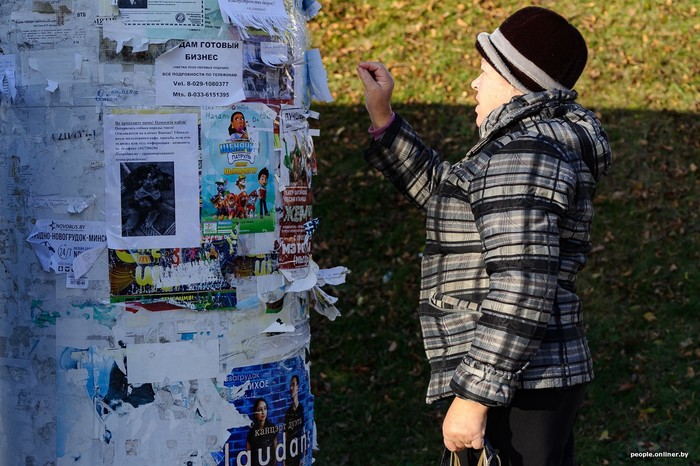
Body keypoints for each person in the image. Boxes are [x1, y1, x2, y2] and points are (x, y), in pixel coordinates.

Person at [357, 6, 611, 466]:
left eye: (483, 71)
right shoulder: (532, 145)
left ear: (518, 80)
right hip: (527, 378)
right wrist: (385, 119)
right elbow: (453, 198)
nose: (474, 84)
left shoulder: (526, 152)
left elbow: (522, 282)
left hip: (518, 384)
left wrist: (475, 397)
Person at [246, 398, 279, 466]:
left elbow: (276, 454)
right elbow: (248, 459)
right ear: (255, 414)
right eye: (260, 410)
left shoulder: (272, 429)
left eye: (265, 408)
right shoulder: (251, 434)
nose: (263, 412)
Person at [283, 375, 304, 466]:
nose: (291, 388)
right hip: (289, 453)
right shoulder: (288, 412)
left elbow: (303, 430)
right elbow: (285, 435)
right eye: (290, 385)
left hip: (299, 451)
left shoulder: (301, 409)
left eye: (294, 385)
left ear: (298, 387)